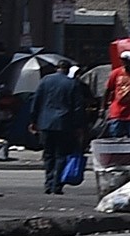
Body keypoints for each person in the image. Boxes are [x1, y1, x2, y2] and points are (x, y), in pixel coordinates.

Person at [35, 62, 89, 195]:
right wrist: (78, 126)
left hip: (46, 123)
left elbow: (36, 101)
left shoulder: (45, 81)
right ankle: (56, 185)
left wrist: (34, 120)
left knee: (48, 155)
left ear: (56, 68)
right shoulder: (72, 83)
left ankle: (48, 183)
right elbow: (78, 107)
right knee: (61, 155)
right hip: (64, 124)